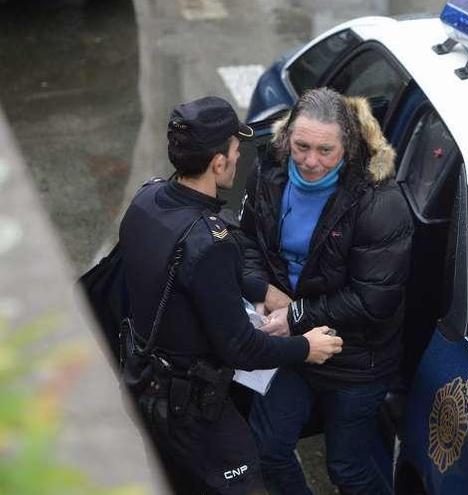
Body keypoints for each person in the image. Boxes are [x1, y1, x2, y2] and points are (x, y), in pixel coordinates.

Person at [118, 96, 344, 494]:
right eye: (236, 152)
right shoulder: (210, 241)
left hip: (144, 380)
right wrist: (305, 347)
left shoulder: (146, 198)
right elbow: (242, 348)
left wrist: (259, 289)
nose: (239, 159)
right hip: (191, 408)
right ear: (218, 163)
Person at [238, 87, 414, 494]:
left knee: (348, 468)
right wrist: (260, 287)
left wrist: (297, 315)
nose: (311, 161)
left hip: (355, 357)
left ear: (347, 147)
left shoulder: (379, 202)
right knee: (268, 449)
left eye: (325, 150)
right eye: (301, 146)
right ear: (286, 140)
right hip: (289, 345)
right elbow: (244, 240)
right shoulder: (268, 170)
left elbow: (375, 300)